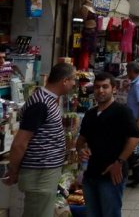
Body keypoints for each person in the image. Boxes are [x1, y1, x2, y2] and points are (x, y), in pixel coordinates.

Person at [3, 63, 75, 217]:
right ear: (64, 80)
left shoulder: (48, 100)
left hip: (44, 173)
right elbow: (19, 143)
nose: (74, 84)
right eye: (73, 80)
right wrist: (14, 170)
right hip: (39, 174)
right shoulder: (41, 103)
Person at [76, 73, 139, 217]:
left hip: (111, 176)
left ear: (114, 89)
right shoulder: (90, 114)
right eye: (98, 87)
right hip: (90, 174)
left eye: (105, 87)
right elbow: (81, 140)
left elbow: (135, 137)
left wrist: (119, 162)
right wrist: (82, 150)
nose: (101, 90)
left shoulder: (122, 112)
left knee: (110, 213)